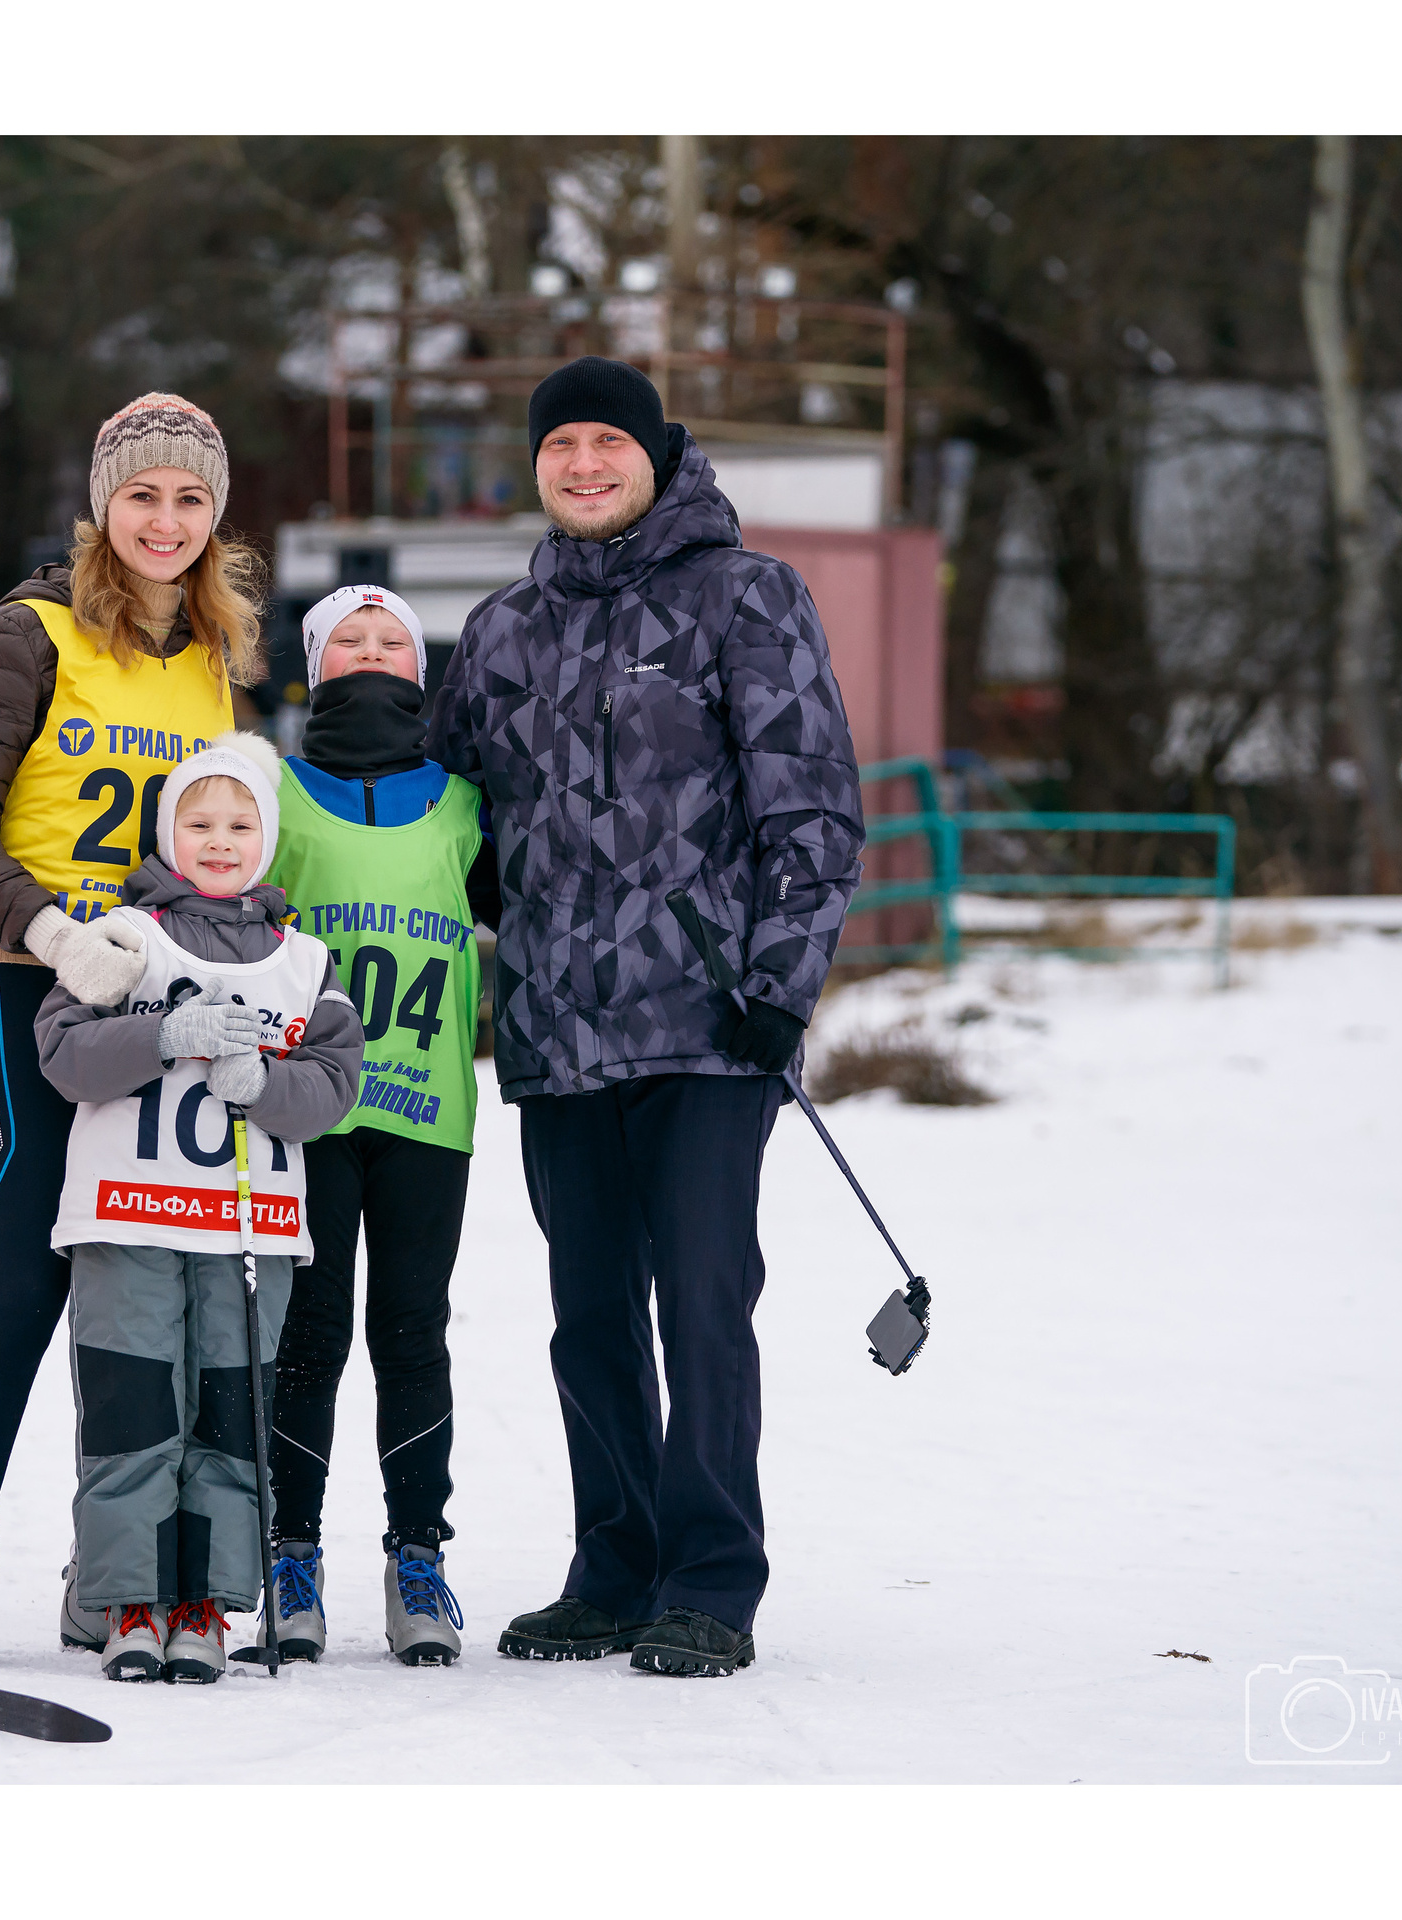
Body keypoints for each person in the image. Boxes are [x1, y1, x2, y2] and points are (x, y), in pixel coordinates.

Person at [427, 356, 865, 1677]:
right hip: (560, 1032)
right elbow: (455, 823)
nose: (584, 464)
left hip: (711, 1027)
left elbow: (813, 812)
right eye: (559, 444)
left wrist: (780, 986)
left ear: (657, 454)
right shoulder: (504, 630)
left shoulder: (749, 598)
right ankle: (612, 1567)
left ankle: (710, 1581)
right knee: (590, 1316)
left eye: (607, 440)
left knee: (706, 1303)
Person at [0, 393, 263, 1668]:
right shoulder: (29, 634)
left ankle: (106, 1567)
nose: (164, 520)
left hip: (165, 1003)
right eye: (142, 495)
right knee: (27, 1276)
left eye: (189, 498)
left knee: (144, 1283)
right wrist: (54, 932)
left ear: (214, 515)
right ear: (101, 506)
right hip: (36, 992)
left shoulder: (215, 655)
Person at [32, 733, 363, 1681]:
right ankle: (127, 1600)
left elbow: (335, 1086)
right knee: (135, 1410)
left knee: (228, 1412)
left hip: (243, 1224)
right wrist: (160, 1031)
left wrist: (261, 1082)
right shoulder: (126, 938)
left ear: (266, 839)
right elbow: (62, 1052)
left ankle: (204, 1603)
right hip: (128, 1213)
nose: (220, 841)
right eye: (200, 822)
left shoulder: (303, 961)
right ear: (170, 834)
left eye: (240, 823)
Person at [257, 583, 492, 1665]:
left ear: (419, 670)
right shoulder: (274, 795)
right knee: (307, 1333)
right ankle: (288, 1551)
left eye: (389, 638)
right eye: (345, 638)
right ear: (313, 666)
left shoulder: (463, 802)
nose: (368, 650)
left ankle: (416, 1556)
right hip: (305, 1111)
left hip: (427, 1109)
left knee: (411, 1329)